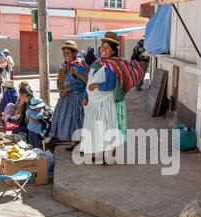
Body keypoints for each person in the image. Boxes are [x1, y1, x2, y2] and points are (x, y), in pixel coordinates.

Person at [81, 32, 144, 165]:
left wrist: (96, 85)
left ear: (114, 50)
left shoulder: (113, 65)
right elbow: (88, 82)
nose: (103, 50)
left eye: (107, 48)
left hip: (111, 103)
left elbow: (108, 85)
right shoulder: (96, 63)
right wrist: (85, 96)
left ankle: (109, 157)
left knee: (111, 129)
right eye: (102, 47)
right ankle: (99, 154)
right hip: (96, 103)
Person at [50, 40, 89, 151]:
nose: (66, 55)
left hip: (77, 99)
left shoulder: (79, 66)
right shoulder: (64, 66)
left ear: (74, 53)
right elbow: (60, 82)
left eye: (69, 53)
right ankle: (74, 144)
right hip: (66, 99)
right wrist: (62, 88)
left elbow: (85, 84)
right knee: (69, 122)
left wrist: (70, 88)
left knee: (77, 122)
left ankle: (80, 145)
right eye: (64, 53)